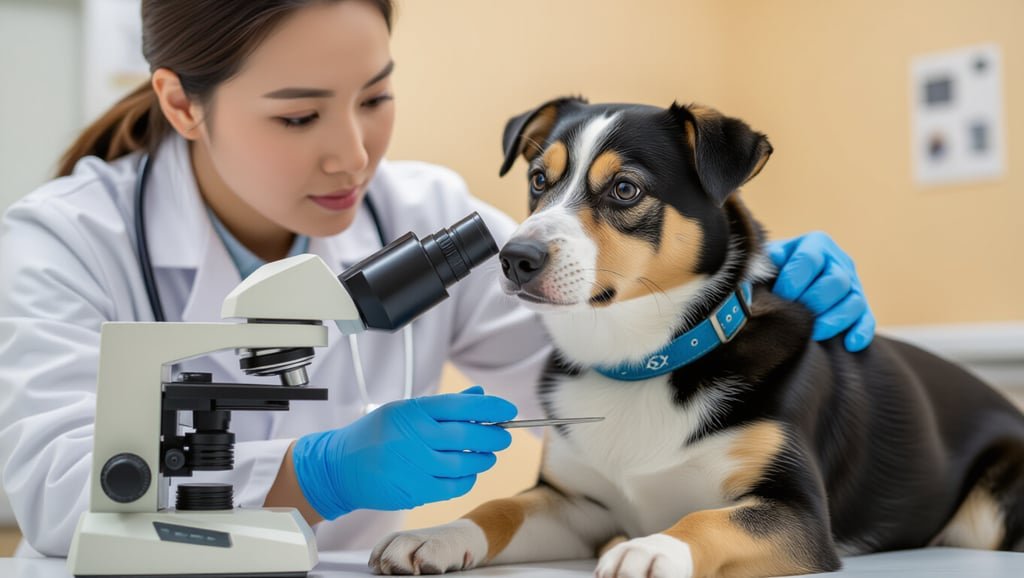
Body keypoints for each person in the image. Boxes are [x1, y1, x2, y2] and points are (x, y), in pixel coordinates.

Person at [0, 0, 875, 558]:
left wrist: (753, 286)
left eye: (375, 98)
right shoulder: (65, 243)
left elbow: (614, 334)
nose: (353, 154)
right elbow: (52, 491)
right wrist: (314, 475)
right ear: (182, 103)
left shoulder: (421, 213)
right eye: (300, 114)